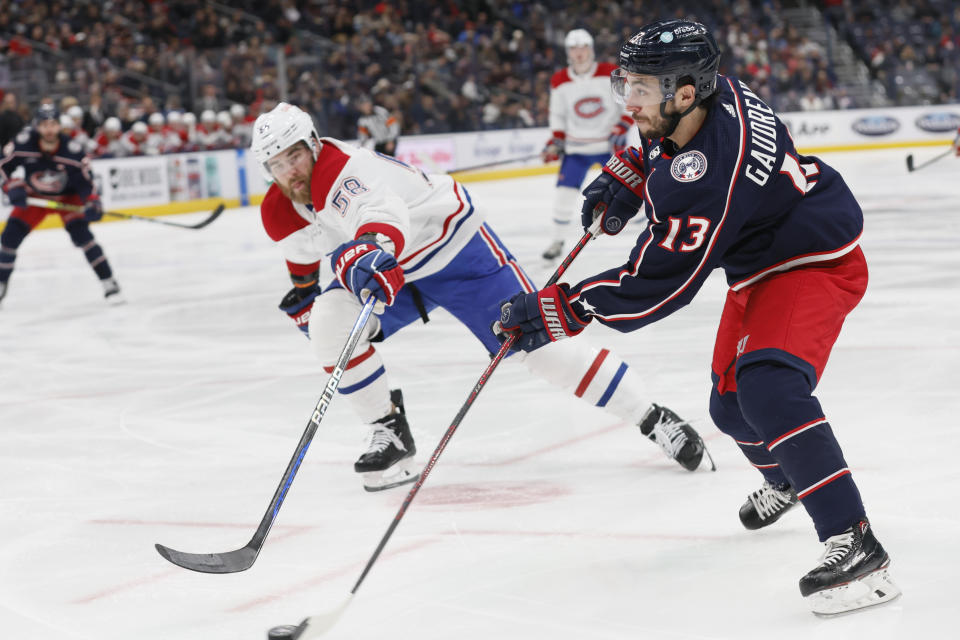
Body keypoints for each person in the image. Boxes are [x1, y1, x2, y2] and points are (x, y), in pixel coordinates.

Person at [496, 19, 899, 617]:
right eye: (626, 84)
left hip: (811, 259)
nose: (629, 100)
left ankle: (857, 544)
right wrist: (629, 179)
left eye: (640, 89)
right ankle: (790, 475)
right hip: (763, 254)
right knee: (729, 405)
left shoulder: (709, 172)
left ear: (685, 91)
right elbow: (662, 145)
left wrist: (566, 306)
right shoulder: (710, 95)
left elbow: (660, 287)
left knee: (770, 388)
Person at [251, 102, 710, 492]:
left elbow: (378, 213)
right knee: (329, 325)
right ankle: (388, 433)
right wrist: (306, 292)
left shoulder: (340, 170)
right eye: (277, 164)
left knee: (541, 348)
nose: (289, 170)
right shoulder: (277, 208)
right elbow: (302, 250)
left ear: (312, 144)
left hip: (453, 250)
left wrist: (372, 249)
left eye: (294, 155)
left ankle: (651, 417)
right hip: (393, 266)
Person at [0, 104, 122, 306]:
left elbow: (86, 182)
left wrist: (92, 201)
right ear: (37, 126)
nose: (49, 129)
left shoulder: (71, 150)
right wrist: (12, 186)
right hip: (36, 197)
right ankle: (1, 283)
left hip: (67, 198)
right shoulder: (23, 143)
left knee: (83, 237)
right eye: (44, 124)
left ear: (60, 126)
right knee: (9, 238)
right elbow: (3, 166)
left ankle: (109, 281)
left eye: (53, 124)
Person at [540, 29, 636, 261]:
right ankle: (557, 240)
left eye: (583, 47)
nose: (579, 53)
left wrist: (621, 127)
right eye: (574, 48)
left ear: (591, 49)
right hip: (576, 150)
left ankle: (653, 230)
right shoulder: (559, 80)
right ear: (568, 53)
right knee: (563, 195)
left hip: (608, 147)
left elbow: (628, 103)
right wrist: (556, 140)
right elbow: (557, 115)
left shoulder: (609, 73)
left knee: (634, 190)